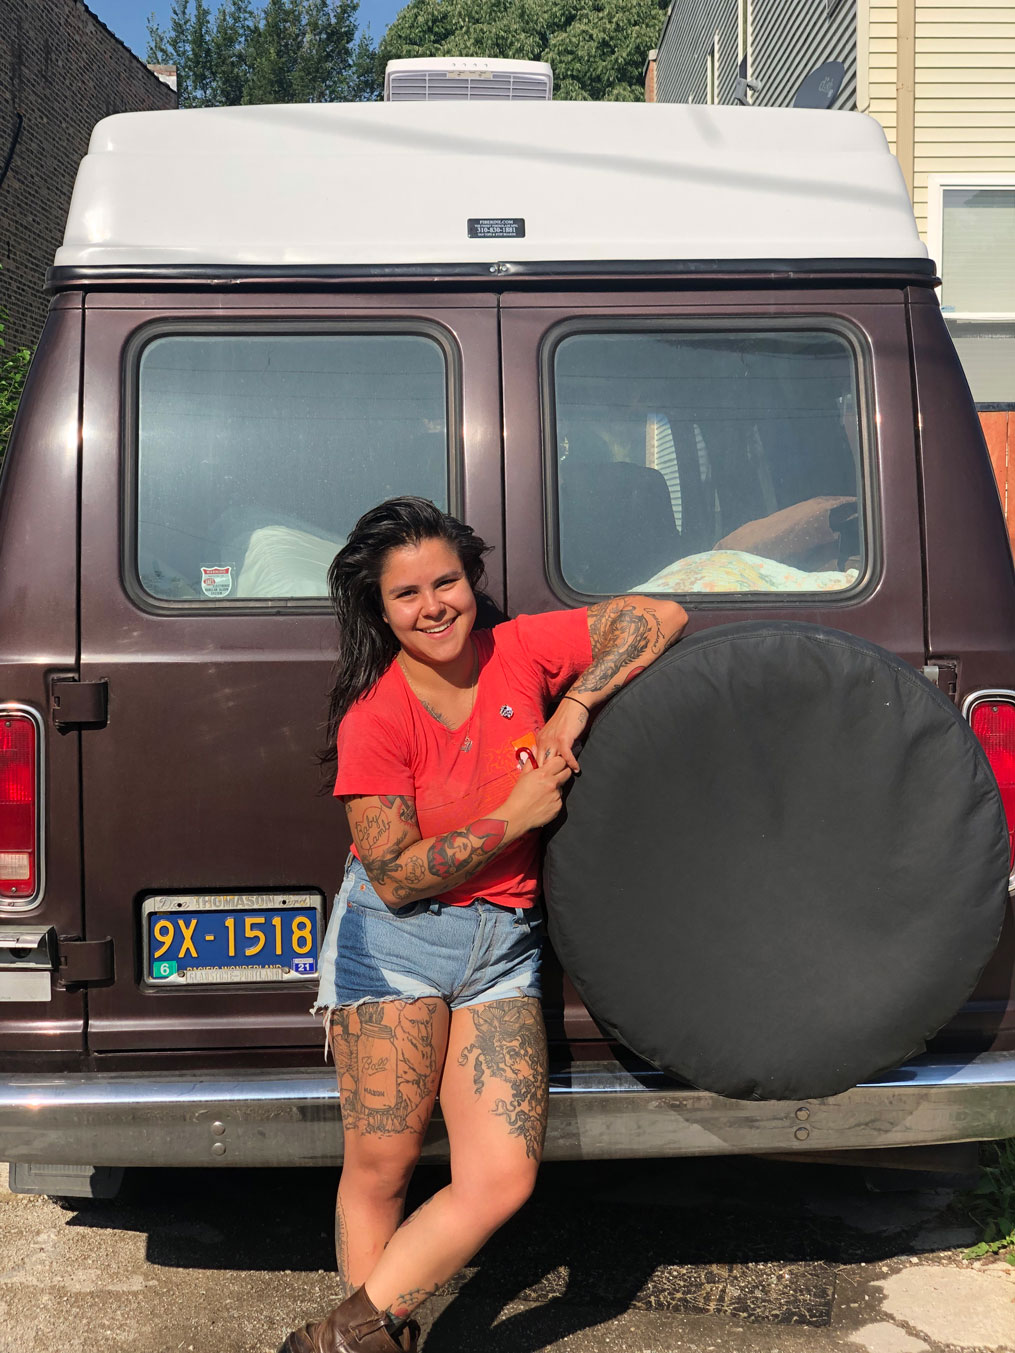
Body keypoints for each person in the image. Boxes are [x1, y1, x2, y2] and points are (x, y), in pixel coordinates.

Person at [279, 497, 687, 1353]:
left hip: (501, 947)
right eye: (406, 593)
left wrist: (572, 708)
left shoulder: (520, 650)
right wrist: (514, 816)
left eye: (447, 582)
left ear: (472, 580)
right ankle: (372, 1343)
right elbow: (393, 875)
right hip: (396, 944)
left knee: (501, 1177)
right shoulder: (376, 717)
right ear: (379, 609)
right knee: (382, 1168)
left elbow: (660, 615)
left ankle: (337, 1339)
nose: (433, 606)